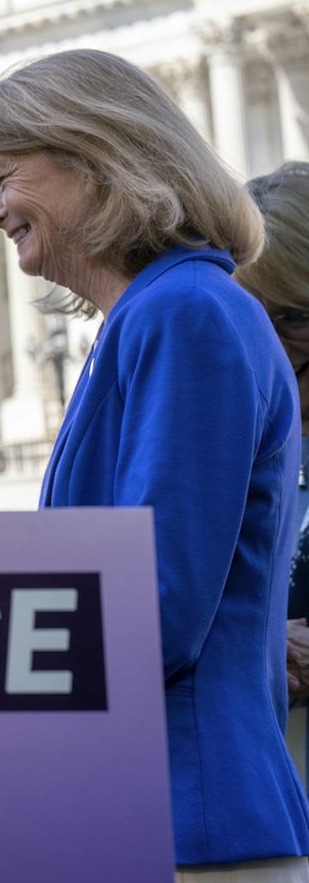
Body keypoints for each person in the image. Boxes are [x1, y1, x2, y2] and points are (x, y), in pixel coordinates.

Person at [0, 49, 309, 877]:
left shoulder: (185, 312)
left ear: (94, 160)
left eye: (5, 177)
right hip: (160, 812)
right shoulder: (158, 314)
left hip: (191, 819)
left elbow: (155, 604)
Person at [238, 162, 309, 704]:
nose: (271, 347)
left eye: (292, 318)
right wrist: (258, 646)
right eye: (250, 319)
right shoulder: (230, 444)